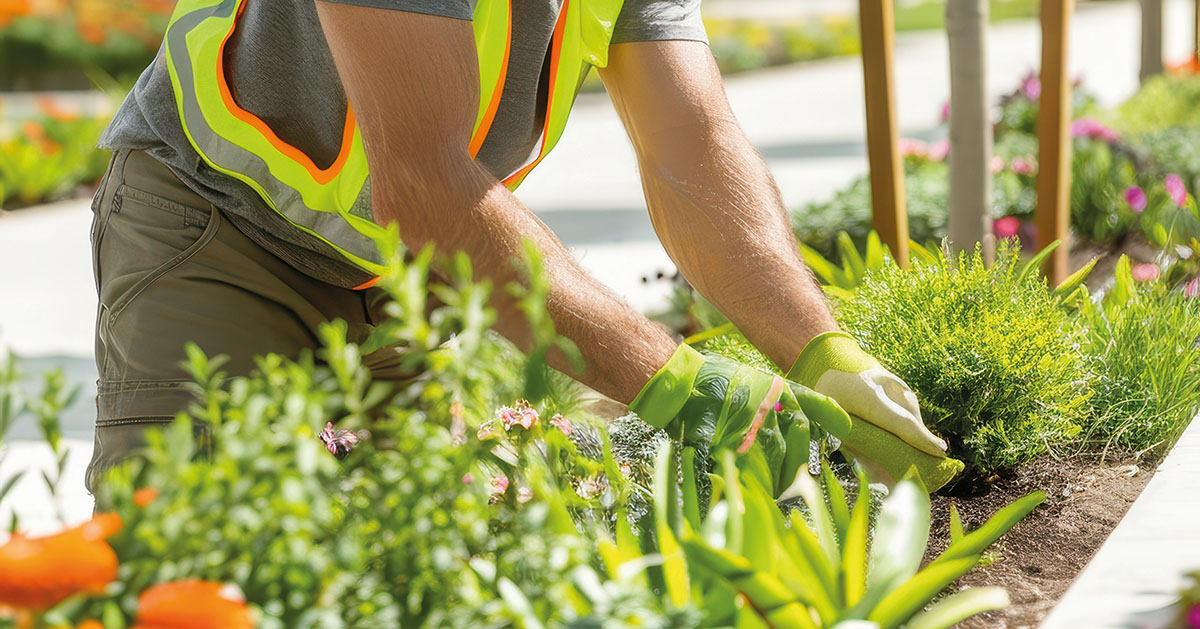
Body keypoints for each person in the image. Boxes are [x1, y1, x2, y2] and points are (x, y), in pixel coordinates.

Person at [85, 0, 954, 495]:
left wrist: (819, 348)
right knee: (193, 558)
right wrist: (678, 384)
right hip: (214, 230)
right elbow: (425, 188)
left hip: (392, 276)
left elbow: (692, 147)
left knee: (398, 569)